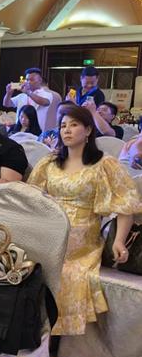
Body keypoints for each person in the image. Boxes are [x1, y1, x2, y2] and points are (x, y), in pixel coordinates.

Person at [28, 105, 141, 336]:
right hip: (49, 227)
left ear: (88, 130)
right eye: (63, 126)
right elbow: (31, 198)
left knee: (66, 270)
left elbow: (126, 205)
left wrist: (119, 241)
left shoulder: (104, 164)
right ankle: (27, 326)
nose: (66, 130)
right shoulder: (49, 162)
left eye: (74, 125)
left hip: (82, 236)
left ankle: (51, 331)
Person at [3, 67, 60, 132]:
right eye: (27, 80)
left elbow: (45, 102)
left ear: (40, 80)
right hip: (21, 130)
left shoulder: (47, 94)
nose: (28, 82)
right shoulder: (22, 95)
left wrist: (28, 92)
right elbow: (6, 104)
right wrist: (8, 93)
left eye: (32, 80)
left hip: (37, 130)